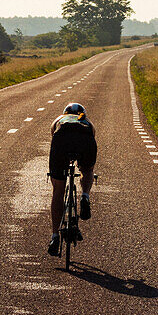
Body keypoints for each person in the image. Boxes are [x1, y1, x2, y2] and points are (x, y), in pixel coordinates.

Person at [47, 102, 96, 256]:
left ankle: (55, 236)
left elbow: (54, 137)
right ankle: (85, 196)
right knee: (87, 170)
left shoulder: (59, 119)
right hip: (85, 141)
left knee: (58, 189)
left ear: (66, 112)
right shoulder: (87, 122)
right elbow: (92, 138)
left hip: (61, 142)